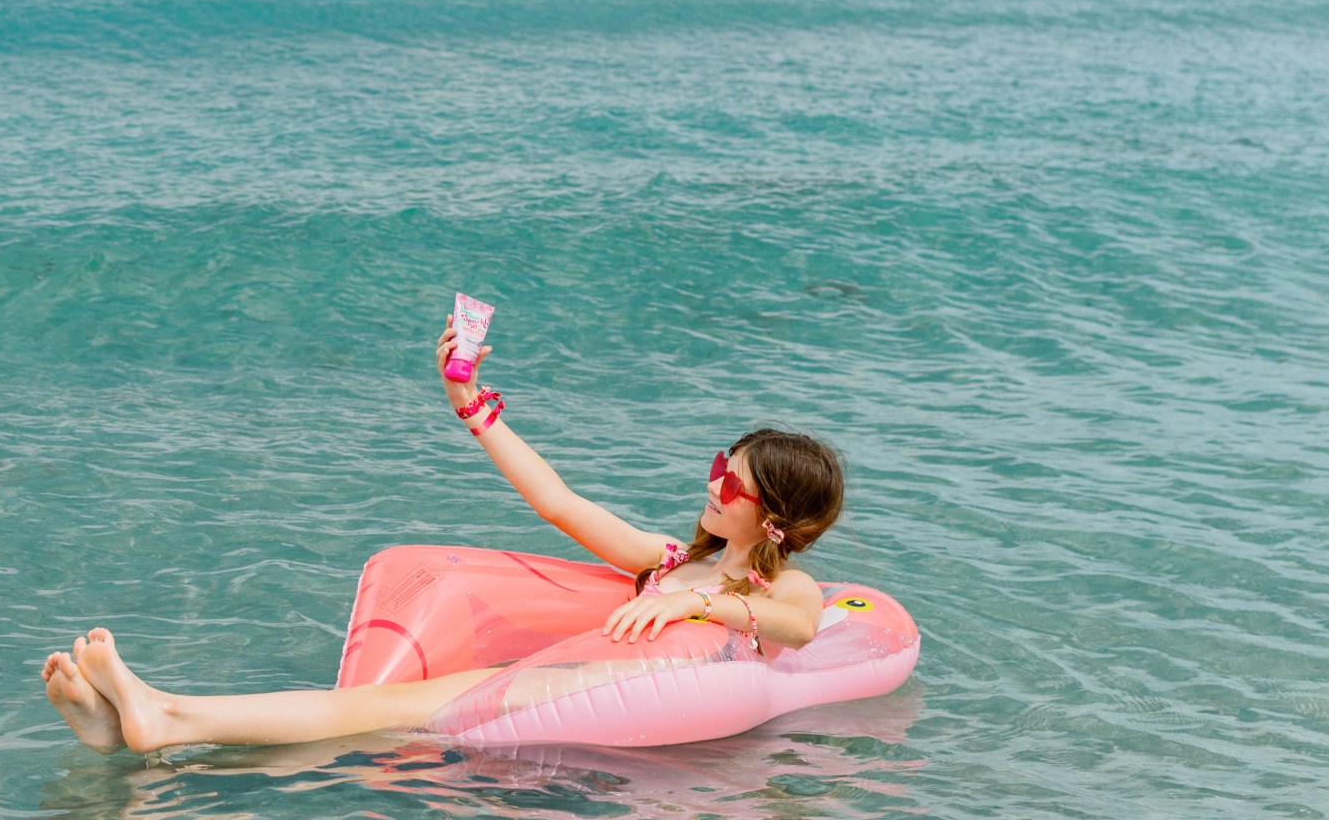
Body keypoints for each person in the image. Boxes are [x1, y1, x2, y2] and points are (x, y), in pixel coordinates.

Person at [41, 317, 846, 754]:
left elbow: (797, 625)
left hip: (569, 702)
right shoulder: (668, 559)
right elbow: (557, 502)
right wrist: (472, 407)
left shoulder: (772, 588)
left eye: (732, 480)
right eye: (718, 462)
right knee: (364, 718)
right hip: (544, 683)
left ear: (771, 515)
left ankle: (162, 717)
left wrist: (694, 611)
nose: (713, 483)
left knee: (367, 710)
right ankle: (132, 728)